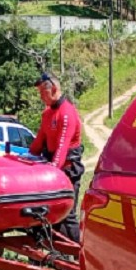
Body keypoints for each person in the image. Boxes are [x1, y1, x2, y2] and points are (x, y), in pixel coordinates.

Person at [29, 73, 84, 243]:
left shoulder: (66, 113)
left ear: (53, 89)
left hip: (67, 168)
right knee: (45, 213)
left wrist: (52, 169)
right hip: (52, 166)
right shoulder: (47, 115)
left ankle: (78, 254)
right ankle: (48, 252)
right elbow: (38, 144)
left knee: (68, 215)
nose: (40, 97)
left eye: (42, 93)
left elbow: (62, 146)